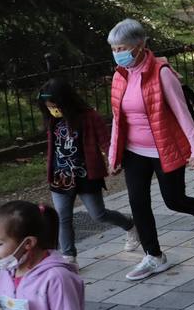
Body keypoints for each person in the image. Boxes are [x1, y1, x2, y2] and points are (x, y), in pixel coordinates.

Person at [107, 19, 194, 282]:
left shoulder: (162, 73)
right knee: (138, 203)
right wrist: (113, 154)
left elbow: (182, 113)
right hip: (134, 151)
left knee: (174, 200)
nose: (118, 54)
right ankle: (154, 256)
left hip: (163, 149)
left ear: (141, 45)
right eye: (114, 49)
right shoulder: (120, 75)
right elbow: (117, 118)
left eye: (122, 48)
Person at [38, 78, 136, 263]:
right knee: (63, 218)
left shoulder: (89, 117)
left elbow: (106, 141)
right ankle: (69, 257)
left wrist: (113, 160)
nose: (52, 110)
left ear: (66, 101)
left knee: (98, 215)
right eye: (49, 106)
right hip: (60, 177)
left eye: (55, 106)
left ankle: (130, 225)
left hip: (86, 176)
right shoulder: (52, 119)